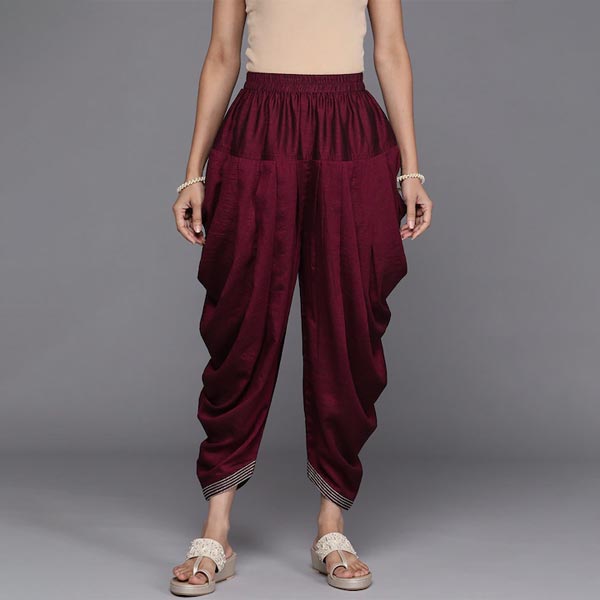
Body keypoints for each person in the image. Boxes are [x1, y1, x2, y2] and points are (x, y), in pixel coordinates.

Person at [170, 0, 433, 595]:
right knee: (241, 322)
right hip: (259, 130)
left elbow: (392, 53)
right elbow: (222, 56)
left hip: (349, 132)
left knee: (348, 322)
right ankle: (216, 530)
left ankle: (331, 527)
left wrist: (411, 170)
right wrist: (193, 173)